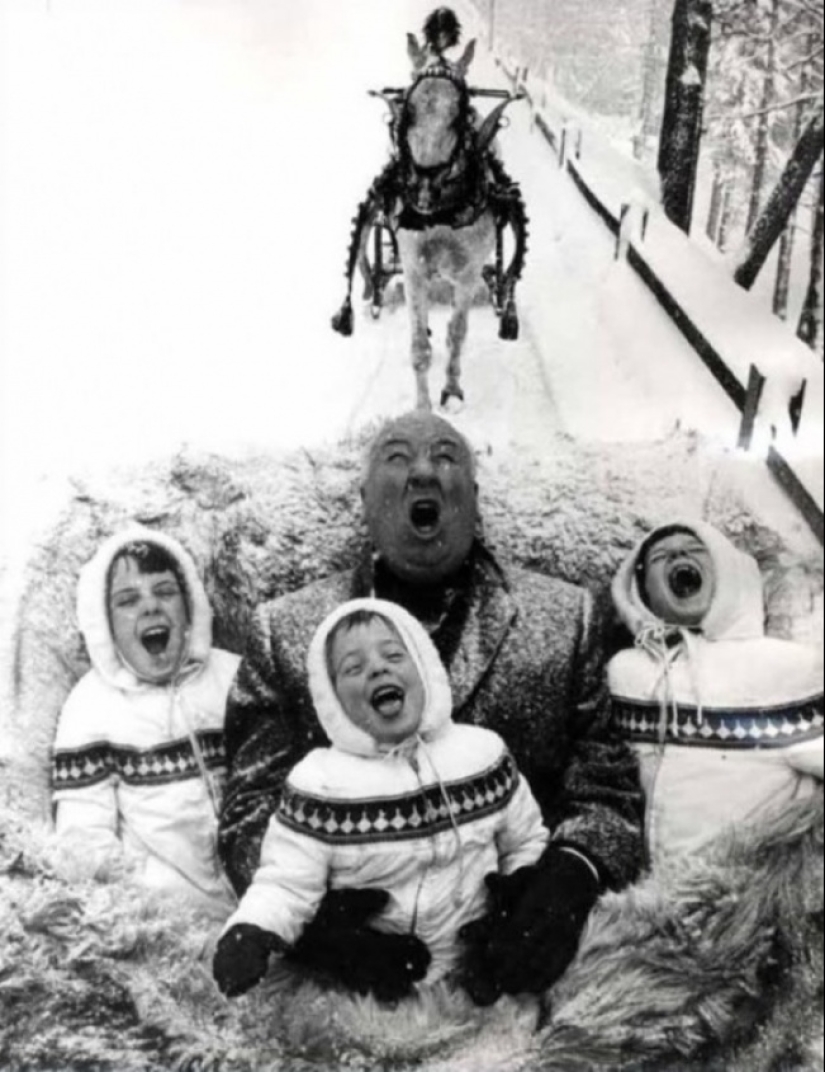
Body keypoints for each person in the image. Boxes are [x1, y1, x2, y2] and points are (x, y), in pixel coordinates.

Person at [218, 411, 644, 1002]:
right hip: (350, 999)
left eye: (446, 457)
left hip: (518, 977)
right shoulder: (284, 629)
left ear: (474, 497)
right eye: (397, 458)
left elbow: (609, 792)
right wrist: (307, 928)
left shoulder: (567, 616)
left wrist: (568, 879)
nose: (423, 471)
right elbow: (246, 810)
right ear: (365, 501)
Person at [212, 599, 550, 1001]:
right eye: (353, 668)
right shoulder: (321, 785)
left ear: (425, 667)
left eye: (393, 655)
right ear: (333, 699)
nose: (377, 669)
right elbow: (286, 883)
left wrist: (517, 902)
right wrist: (251, 931)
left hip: (475, 978)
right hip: (374, 992)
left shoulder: (483, 755)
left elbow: (525, 841)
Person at [608, 520, 824, 867]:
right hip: (645, 884)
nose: (678, 555)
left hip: (751, 883)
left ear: (728, 570)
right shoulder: (625, 672)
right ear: (642, 588)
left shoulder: (789, 668)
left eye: (696, 550)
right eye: (660, 556)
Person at [51, 526, 240, 916]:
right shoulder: (90, 707)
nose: (151, 607)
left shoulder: (233, 678)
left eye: (165, 592)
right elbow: (83, 839)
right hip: (171, 916)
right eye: (128, 600)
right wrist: (145, 911)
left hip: (263, 901)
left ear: (191, 607)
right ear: (105, 624)